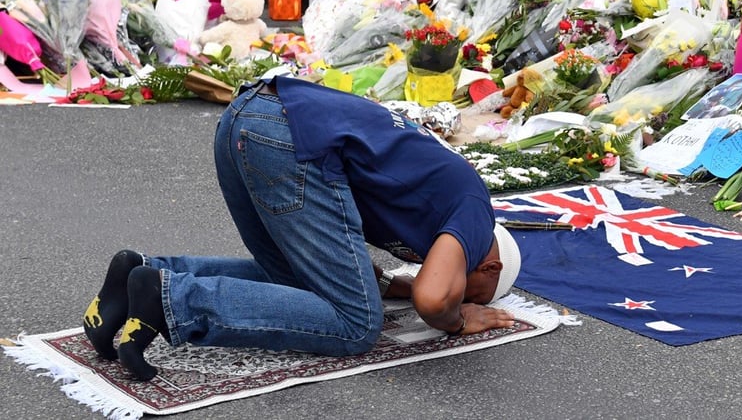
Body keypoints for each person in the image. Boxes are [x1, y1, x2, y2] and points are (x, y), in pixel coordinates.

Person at [82, 75, 521, 381]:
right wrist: (458, 318)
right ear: (490, 266)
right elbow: (433, 298)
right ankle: (171, 299)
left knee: (297, 283)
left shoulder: (440, 210)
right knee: (356, 324)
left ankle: (140, 274)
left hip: (249, 115)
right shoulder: (476, 213)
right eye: (469, 289)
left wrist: (392, 285)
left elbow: (350, 264)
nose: (456, 289)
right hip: (288, 139)